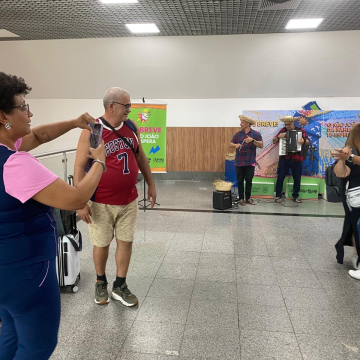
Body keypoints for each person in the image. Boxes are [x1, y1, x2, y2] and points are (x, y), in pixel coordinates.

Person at [0, 72, 106, 360]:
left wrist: (73, 123)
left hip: (5, 269)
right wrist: (99, 162)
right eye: (23, 107)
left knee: (10, 329)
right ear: (3, 116)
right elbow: (76, 198)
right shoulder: (15, 165)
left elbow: (38, 135)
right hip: (25, 270)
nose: (30, 112)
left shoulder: (6, 149)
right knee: (37, 346)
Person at [74, 87, 157, 306]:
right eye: (126, 105)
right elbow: (79, 167)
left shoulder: (131, 126)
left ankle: (120, 286)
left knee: (126, 242)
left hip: (129, 200)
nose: (130, 109)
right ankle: (100, 282)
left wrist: (151, 183)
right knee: (101, 244)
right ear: (112, 106)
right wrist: (80, 202)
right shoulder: (94, 130)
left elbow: (141, 157)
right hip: (100, 201)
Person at [333, 128, 360, 276]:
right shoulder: (351, 150)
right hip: (355, 197)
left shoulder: (352, 155)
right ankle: (357, 254)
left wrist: (349, 157)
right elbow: (340, 173)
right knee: (355, 226)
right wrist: (342, 158)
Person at [273, 116, 309, 203]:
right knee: (280, 177)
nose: (287, 126)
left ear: (293, 123)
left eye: (288, 124)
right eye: (285, 124)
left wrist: (303, 141)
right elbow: (274, 141)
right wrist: (278, 137)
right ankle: (278, 196)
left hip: (297, 158)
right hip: (284, 157)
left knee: (297, 178)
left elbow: (308, 142)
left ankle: (295, 196)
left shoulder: (301, 130)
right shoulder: (283, 130)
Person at [230, 115, 263, 206]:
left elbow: (261, 145)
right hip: (239, 161)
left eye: (242, 122)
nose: (241, 124)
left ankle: (248, 198)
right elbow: (230, 143)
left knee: (249, 180)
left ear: (248, 124)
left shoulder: (256, 134)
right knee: (240, 181)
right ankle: (241, 198)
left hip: (250, 161)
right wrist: (235, 145)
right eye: (241, 122)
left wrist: (252, 140)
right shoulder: (238, 134)